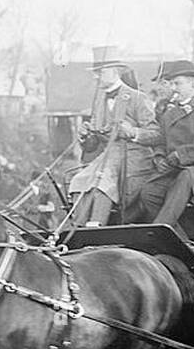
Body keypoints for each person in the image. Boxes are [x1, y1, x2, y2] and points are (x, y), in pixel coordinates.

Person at [134, 60, 194, 243]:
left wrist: (179, 155)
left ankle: (157, 234)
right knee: (149, 192)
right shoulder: (170, 113)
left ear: (193, 84)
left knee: (186, 177)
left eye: (177, 83)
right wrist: (160, 156)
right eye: (171, 84)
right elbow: (162, 140)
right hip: (174, 167)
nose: (173, 88)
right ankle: (182, 242)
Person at [67, 49, 160, 227]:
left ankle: (96, 226)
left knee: (102, 181)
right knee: (79, 180)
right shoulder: (99, 100)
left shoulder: (137, 98)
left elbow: (156, 134)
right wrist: (86, 136)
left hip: (134, 157)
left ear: (115, 71)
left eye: (99, 72)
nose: (96, 77)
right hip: (107, 157)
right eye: (95, 73)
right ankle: (78, 228)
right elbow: (93, 146)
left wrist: (133, 132)